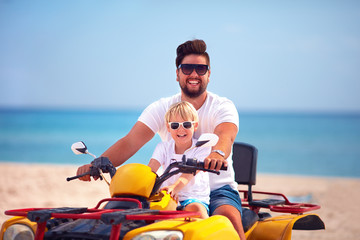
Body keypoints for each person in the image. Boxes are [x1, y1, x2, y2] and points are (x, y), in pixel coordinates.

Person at [77, 39, 246, 239]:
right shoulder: (163, 107)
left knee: (228, 221)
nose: (193, 74)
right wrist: (97, 164)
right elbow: (130, 141)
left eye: (200, 69)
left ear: (209, 74)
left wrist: (217, 153)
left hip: (217, 189)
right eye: (187, 68)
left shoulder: (222, 106)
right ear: (177, 74)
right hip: (168, 190)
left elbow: (225, 135)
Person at [148, 101, 210, 219]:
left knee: (196, 210)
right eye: (175, 125)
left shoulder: (202, 148)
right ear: (168, 127)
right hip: (167, 196)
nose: (181, 129)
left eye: (186, 125)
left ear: (195, 125)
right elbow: (151, 168)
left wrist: (175, 188)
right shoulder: (163, 147)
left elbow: (190, 173)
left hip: (193, 197)